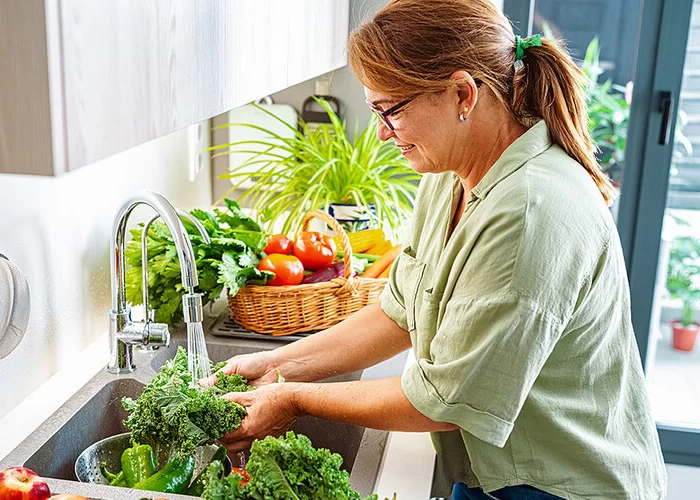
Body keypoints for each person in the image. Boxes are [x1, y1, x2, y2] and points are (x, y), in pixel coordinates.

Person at [218, 0, 668, 498]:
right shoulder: (448, 173)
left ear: (462, 94)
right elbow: (399, 313)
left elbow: (445, 400)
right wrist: (274, 366)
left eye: (391, 111)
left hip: (562, 487)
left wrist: (295, 398)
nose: (383, 133)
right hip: (491, 476)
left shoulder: (529, 212)